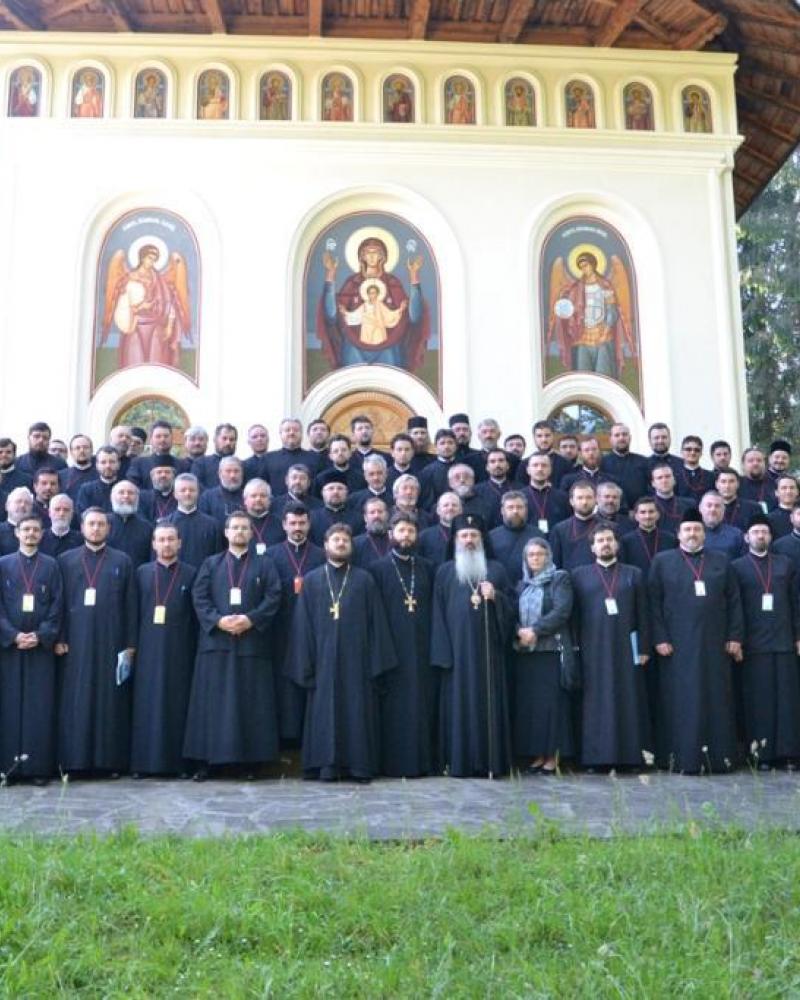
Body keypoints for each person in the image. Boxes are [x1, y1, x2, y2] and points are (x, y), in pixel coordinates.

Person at [289, 523, 396, 782]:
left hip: (358, 661)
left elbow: (377, 624)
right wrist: (306, 664)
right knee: (324, 712)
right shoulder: (312, 579)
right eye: (335, 540)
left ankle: (359, 766)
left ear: (351, 546)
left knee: (357, 710)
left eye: (345, 540)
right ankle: (326, 765)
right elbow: (302, 626)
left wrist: (376, 664)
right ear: (326, 545)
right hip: (322, 661)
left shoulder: (364, 579)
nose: (340, 544)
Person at [183, 512, 282, 780]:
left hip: (252, 643)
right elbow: (199, 596)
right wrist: (218, 621)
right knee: (210, 705)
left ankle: (249, 764)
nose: (239, 532)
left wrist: (251, 619)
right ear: (226, 532)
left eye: (244, 528)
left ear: (251, 533)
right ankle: (206, 762)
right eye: (235, 527)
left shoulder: (265, 564)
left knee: (250, 705)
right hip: (216, 643)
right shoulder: (211, 563)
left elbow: (274, 596)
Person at [648, 508, 744, 774]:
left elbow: (734, 601)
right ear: (678, 534)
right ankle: (680, 758)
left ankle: (720, 758)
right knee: (682, 699)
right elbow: (653, 603)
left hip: (716, 644)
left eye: (697, 529)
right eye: (688, 529)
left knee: (716, 698)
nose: (692, 534)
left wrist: (735, 636)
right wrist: (660, 637)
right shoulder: (662, 561)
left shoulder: (721, 560)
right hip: (676, 645)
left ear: (704, 534)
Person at [55, 508, 137, 777]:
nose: (96, 528)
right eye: (91, 524)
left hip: (111, 640)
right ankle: (75, 762)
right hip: (76, 641)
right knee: (76, 699)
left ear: (108, 528)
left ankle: (108, 763)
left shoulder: (122, 561)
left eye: (101, 524)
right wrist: (60, 637)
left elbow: (130, 605)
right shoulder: (65, 560)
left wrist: (130, 644)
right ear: (82, 527)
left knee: (109, 701)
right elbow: (58, 603)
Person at [431, 514, 514, 777]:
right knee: (458, 707)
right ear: (455, 540)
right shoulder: (445, 572)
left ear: (482, 539)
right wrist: (443, 655)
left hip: (489, 654)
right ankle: (459, 763)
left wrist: (496, 597)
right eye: (464, 535)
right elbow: (437, 616)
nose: (469, 540)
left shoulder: (496, 570)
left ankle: (491, 761)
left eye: (474, 535)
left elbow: (512, 609)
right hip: (456, 656)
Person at [571, 524, 652, 771]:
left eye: (609, 540)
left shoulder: (634, 573)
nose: (605, 544)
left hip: (627, 648)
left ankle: (630, 757)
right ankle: (596, 758)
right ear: (592, 547)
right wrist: (575, 648)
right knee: (595, 702)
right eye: (600, 540)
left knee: (629, 699)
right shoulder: (579, 575)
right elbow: (574, 617)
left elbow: (643, 613)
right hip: (592, 648)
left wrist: (644, 648)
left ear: (617, 544)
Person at [370, 514, 437, 777]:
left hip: (422, 648)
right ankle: (392, 764)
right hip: (391, 650)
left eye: (410, 531)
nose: (406, 536)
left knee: (421, 705)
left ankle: (423, 763)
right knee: (395, 708)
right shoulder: (377, 569)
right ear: (391, 535)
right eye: (401, 530)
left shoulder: (428, 568)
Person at [732, 514, 800, 769]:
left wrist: (798, 635)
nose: (760, 536)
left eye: (764, 532)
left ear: (771, 537)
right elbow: (735, 607)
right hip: (754, 645)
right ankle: (762, 755)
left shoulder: (785, 564)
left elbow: (796, 602)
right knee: (760, 701)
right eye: (756, 532)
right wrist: (737, 639)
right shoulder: (736, 567)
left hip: (784, 641)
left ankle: (788, 753)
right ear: (746, 537)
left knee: (787, 700)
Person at [0, 515, 64, 784]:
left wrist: (41, 635)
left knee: (40, 706)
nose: (30, 534)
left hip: (40, 649)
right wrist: (12, 635)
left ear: (42, 534)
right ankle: (8, 769)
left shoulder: (51, 565)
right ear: (16, 533)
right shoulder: (3, 564)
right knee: (9, 706)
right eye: (25, 529)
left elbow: (57, 605)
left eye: (35, 530)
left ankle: (38, 769)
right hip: (9, 649)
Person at [130, 523, 197, 777]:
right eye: (161, 540)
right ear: (153, 544)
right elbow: (133, 612)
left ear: (180, 543)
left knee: (177, 705)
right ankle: (143, 765)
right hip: (147, 648)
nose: (166, 544)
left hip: (180, 649)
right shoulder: (141, 573)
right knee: (146, 705)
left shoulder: (191, 573)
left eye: (171, 539)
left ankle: (178, 765)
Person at [511, 537, 574, 775]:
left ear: (548, 556)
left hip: (551, 650)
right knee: (533, 706)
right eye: (531, 555)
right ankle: (538, 753)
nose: (535, 558)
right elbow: (512, 612)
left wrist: (535, 630)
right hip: (527, 653)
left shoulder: (559, 578)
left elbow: (562, 611)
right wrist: (519, 631)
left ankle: (553, 755)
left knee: (552, 706)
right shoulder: (522, 585)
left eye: (540, 554)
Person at [265, 503, 325, 744]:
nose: (297, 528)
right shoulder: (271, 555)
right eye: (293, 523)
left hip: (314, 630)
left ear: (309, 525)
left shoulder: (321, 555)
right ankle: (286, 740)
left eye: (302, 523)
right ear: (284, 525)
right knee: (283, 686)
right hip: (282, 629)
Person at [165, 473, 222, 569]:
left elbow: (218, 560)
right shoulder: (165, 525)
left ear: (198, 492)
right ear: (175, 494)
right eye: (183, 490)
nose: (188, 493)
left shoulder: (213, 526)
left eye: (192, 490)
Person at [489, 491, 542, 585]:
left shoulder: (537, 534)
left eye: (519, 507)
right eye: (510, 507)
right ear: (502, 511)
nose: (515, 511)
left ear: (526, 510)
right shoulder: (491, 536)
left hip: (532, 586)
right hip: (501, 588)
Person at [550, 483, 599, 570]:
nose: (584, 502)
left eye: (589, 497)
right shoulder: (559, 530)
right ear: (571, 501)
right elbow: (555, 563)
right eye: (580, 498)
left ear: (596, 500)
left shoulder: (608, 528)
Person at [600, 422, 649, 508]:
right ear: (610, 439)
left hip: (640, 511)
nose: (621, 438)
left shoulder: (643, 461)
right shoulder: (602, 463)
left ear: (630, 438)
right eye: (617, 435)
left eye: (624, 434)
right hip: (612, 511)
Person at [519, 452, 570, 533]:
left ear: (550, 470)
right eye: (535, 465)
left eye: (544, 465)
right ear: (528, 470)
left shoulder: (563, 498)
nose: (540, 469)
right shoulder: (519, 497)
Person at [263, 418, 319, 491]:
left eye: (296, 430)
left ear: (301, 434)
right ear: (280, 434)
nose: (291, 433)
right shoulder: (268, 459)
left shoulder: (315, 458)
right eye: (287, 430)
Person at [107, 481, 153, 568]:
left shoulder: (147, 528)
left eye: (131, 493)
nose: (126, 496)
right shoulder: (103, 524)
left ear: (137, 498)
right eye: (121, 492)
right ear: (112, 497)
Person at [418, 492, 461, 566]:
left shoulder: (468, 535)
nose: (450, 508)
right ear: (438, 510)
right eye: (446, 505)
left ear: (461, 511)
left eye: (454, 505)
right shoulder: (424, 536)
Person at [699, 491, 745, 561]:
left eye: (717, 506)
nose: (713, 509)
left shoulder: (736, 535)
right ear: (700, 508)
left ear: (723, 510)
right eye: (709, 505)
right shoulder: (692, 534)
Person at [198, 456, 245, 525]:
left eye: (236, 471)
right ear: (220, 473)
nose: (232, 475)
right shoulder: (207, 497)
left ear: (242, 473)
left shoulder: (247, 496)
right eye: (228, 471)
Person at [191, 422, 238, 491]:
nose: (228, 443)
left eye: (231, 439)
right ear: (215, 440)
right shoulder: (201, 464)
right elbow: (196, 487)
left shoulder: (240, 465)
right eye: (224, 438)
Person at [242, 478, 284, 552]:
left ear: (270, 500)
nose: (258, 499)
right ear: (245, 500)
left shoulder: (280, 523)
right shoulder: (238, 523)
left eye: (263, 496)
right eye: (253, 496)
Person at [76, 445, 121, 514]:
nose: (108, 466)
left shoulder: (126, 490)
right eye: (103, 462)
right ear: (97, 465)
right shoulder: (86, 490)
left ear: (119, 464)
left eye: (112, 462)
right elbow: (82, 514)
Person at [650, 463, 691, 533]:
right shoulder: (647, 506)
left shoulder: (689, 504)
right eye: (659, 478)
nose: (664, 481)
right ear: (653, 483)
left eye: (668, 476)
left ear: (674, 480)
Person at [352, 497, 392, 568]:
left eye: (380, 512)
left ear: (387, 515)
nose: (376, 516)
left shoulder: (396, 540)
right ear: (365, 518)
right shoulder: (356, 543)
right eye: (372, 512)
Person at [58, 434, 97, 501]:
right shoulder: (61, 476)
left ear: (91, 450)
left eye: (85, 447)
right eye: (77, 448)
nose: (82, 451)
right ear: (71, 452)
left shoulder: (100, 475)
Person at [0, 487, 34, 555]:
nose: (22, 505)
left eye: (27, 503)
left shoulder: (36, 532)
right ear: (7, 506)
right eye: (18, 501)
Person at [767, 475, 799, 540]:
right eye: (784, 488)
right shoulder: (769, 519)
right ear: (776, 493)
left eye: (792, 488)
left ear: (797, 492)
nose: (788, 491)